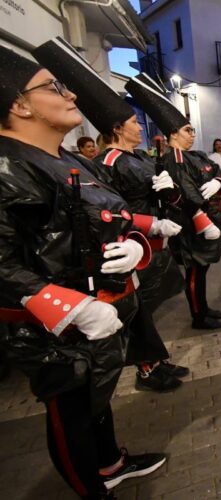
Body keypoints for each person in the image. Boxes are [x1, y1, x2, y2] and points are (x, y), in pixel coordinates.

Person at [0, 45, 166, 498]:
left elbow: (113, 218)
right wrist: (68, 308)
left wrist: (136, 247)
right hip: (55, 334)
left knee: (98, 401)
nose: (71, 93)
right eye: (55, 86)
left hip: (104, 313)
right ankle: (92, 490)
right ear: (19, 103)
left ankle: (111, 463)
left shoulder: (71, 160)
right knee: (71, 415)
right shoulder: (8, 166)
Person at [34, 37, 188, 392]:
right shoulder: (107, 162)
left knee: (145, 308)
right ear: (118, 128)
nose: (139, 126)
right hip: (124, 247)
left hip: (146, 241)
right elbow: (108, 211)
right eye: (134, 121)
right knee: (138, 310)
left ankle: (155, 361)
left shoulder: (140, 158)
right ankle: (148, 368)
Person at [127, 73, 221, 330]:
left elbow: (215, 172)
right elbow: (188, 191)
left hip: (202, 224)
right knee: (194, 273)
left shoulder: (192, 154)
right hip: (190, 228)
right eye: (187, 130)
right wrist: (203, 216)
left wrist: (220, 182)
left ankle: (204, 308)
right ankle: (198, 316)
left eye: (192, 130)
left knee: (202, 271)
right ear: (173, 133)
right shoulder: (175, 158)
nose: (192, 134)